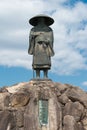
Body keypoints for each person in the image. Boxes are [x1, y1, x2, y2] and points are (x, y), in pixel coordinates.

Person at [28, 14, 54, 79]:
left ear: (45, 20)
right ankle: (37, 76)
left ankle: (45, 76)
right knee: (37, 60)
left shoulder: (49, 29)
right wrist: (33, 36)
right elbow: (30, 37)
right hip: (37, 46)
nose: (41, 21)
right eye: (39, 20)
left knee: (46, 60)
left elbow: (51, 39)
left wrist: (47, 41)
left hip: (45, 46)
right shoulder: (33, 29)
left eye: (42, 20)